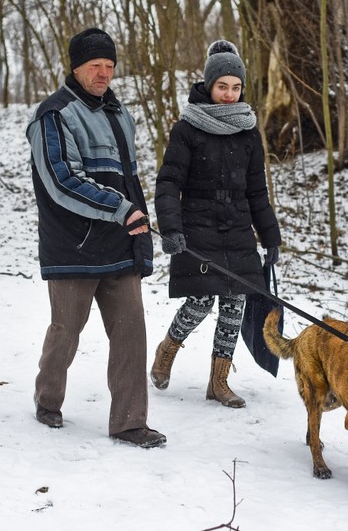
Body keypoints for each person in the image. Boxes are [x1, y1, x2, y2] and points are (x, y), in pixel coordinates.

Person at [25, 28, 165, 448]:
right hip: (74, 246)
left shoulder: (120, 113)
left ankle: (128, 422)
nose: (103, 74)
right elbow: (61, 181)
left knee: (131, 334)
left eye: (109, 66)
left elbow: (130, 181)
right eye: (95, 66)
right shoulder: (54, 115)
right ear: (75, 67)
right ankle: (48, 399)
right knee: (66, 330)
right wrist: (122, 210)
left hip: (120, 245)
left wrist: (140, 229)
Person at [152, 40, 282, 408]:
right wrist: (172, 228)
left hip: (238, 228)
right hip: (198, 227)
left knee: (234, 303)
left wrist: (270, 237)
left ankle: (219, 382)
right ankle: (168, 348)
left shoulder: (248, 131)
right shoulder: (188, 129)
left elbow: (258, 191)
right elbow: (169, 183)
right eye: (222, 86)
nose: (229, 94)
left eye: (235, 87)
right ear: (209, 85)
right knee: (199, 301)